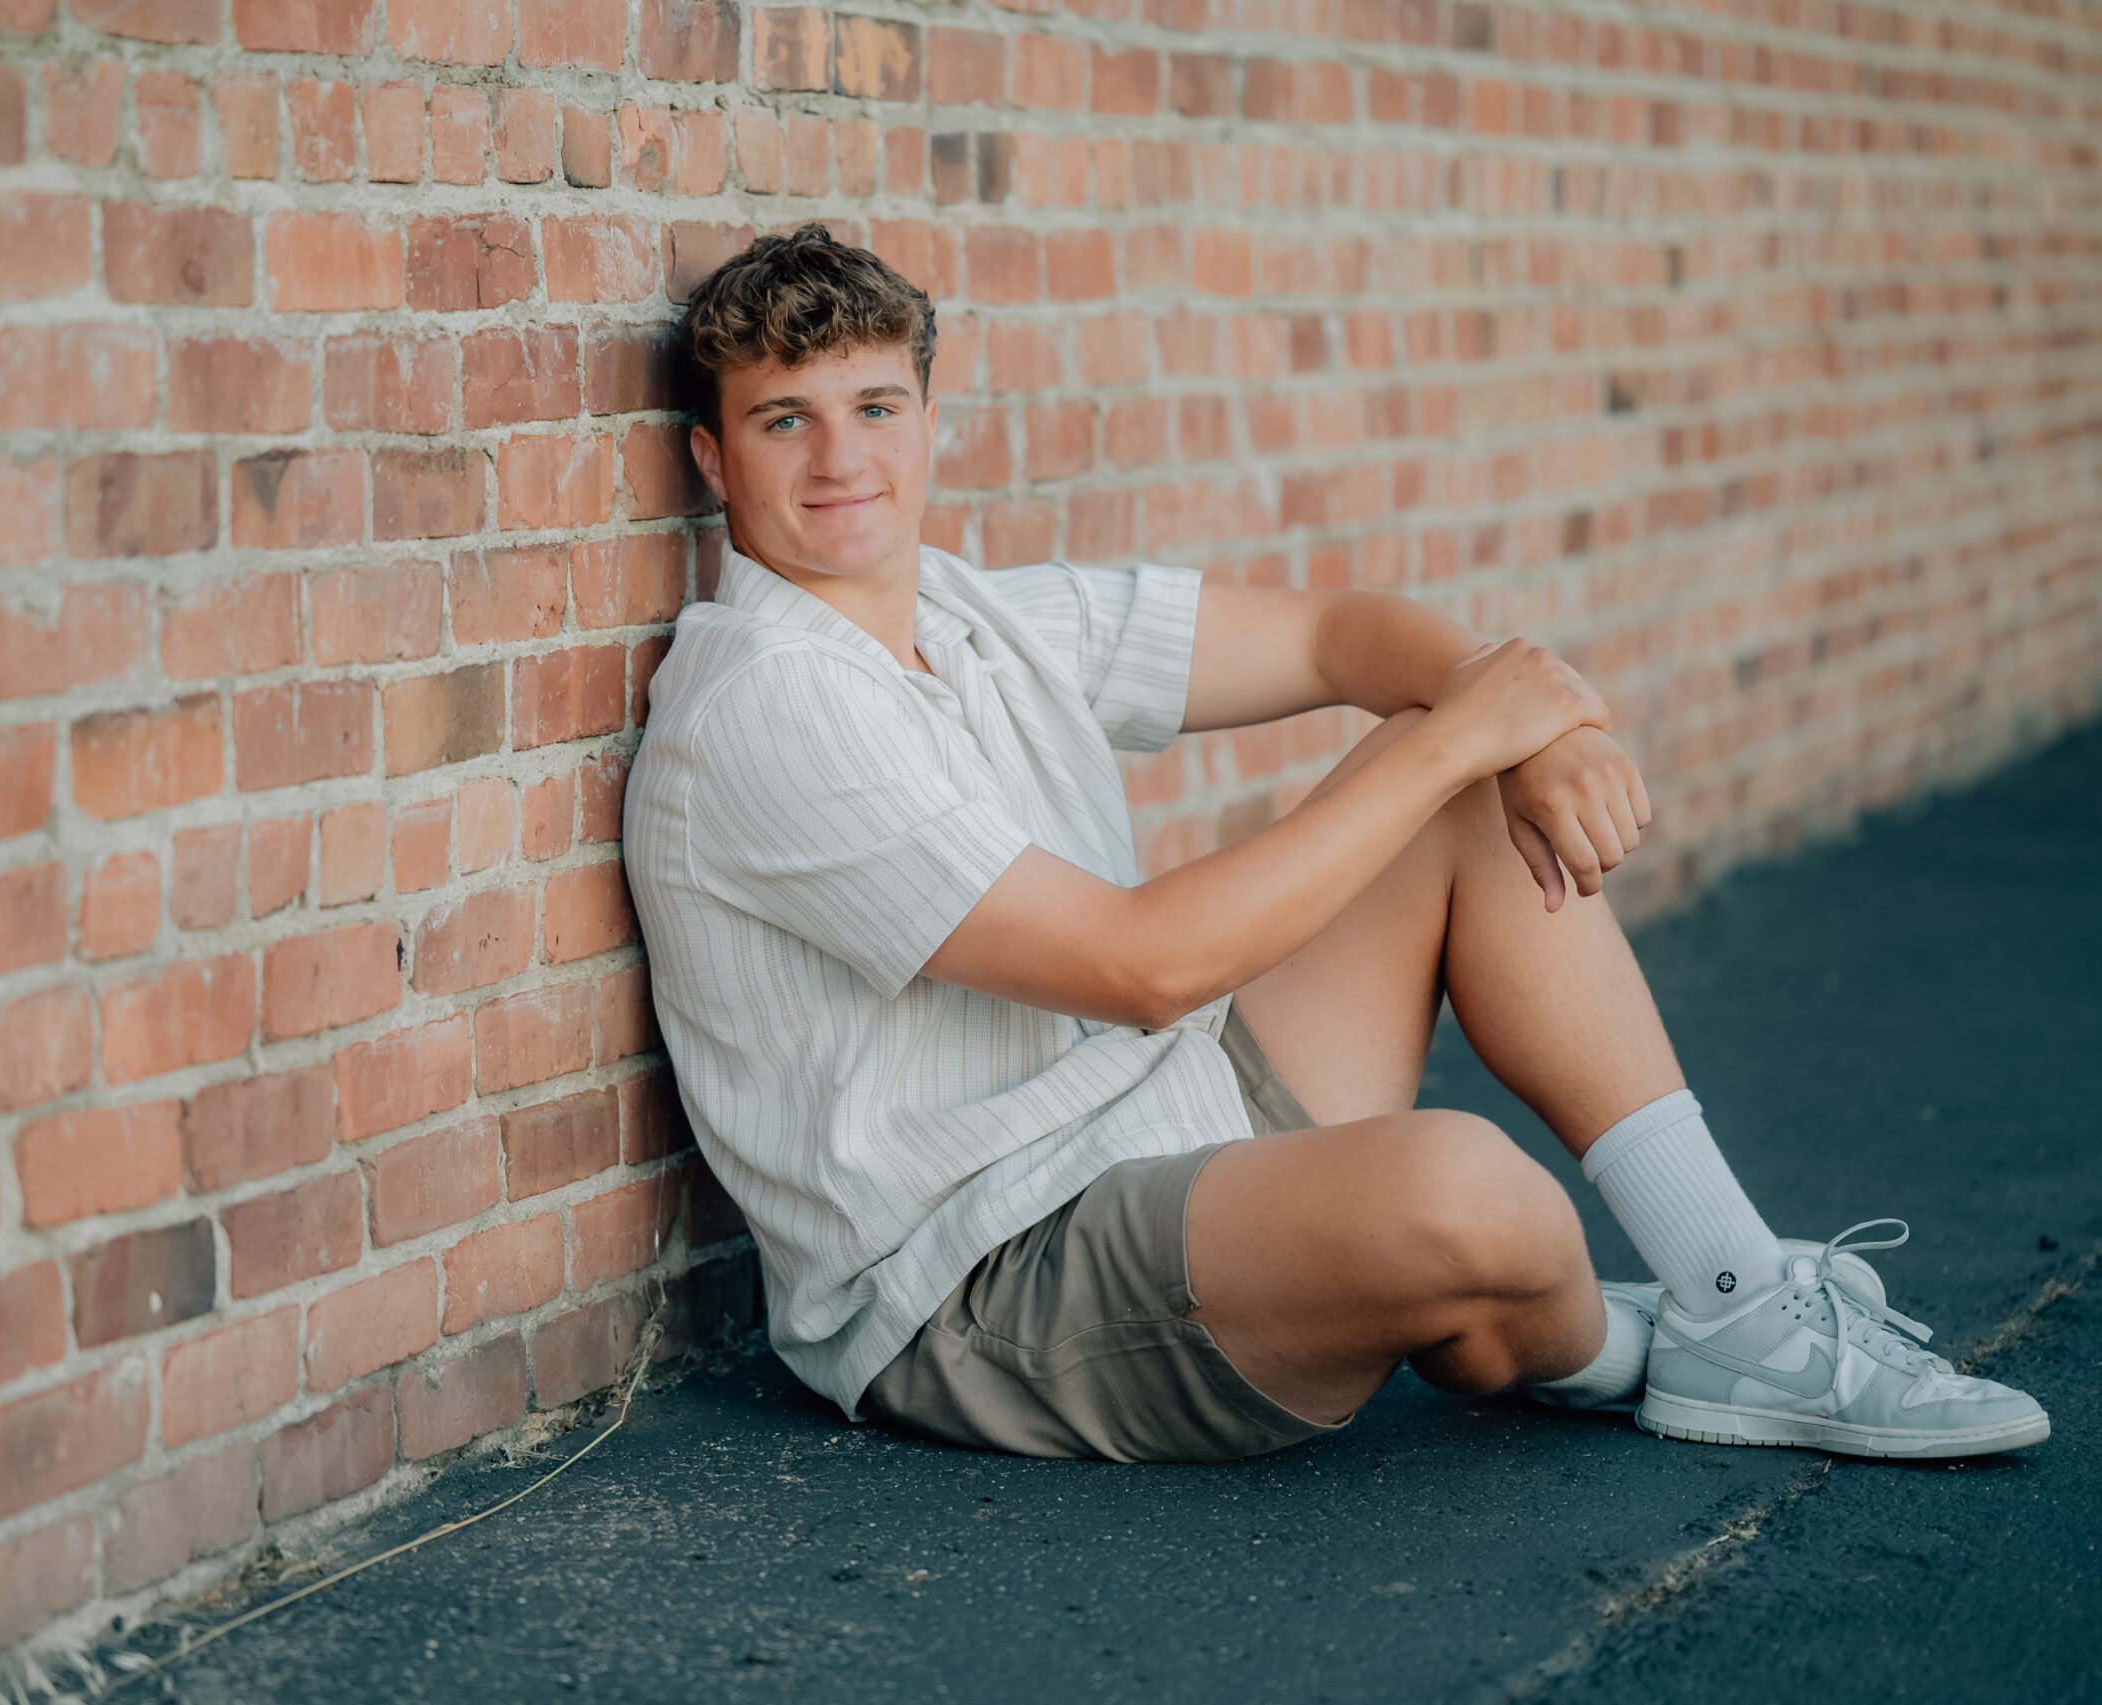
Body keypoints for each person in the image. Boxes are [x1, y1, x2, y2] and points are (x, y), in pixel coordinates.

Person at [622, 224, 2049, 1464]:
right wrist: (1467, 724)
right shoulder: (764, 700)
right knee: (1475, 1197)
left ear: (931, 420)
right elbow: (1146, 965)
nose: (842, 457)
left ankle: (1734, 1293)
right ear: (712, 456)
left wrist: (1529, 730)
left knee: (1458, 798)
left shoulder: (972, 614)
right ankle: (1626, 1342)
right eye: (783, 420)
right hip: (978, 1280)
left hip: (1149, 1125)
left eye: (874, 405)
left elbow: (1329, 634)